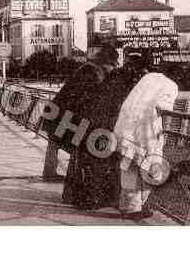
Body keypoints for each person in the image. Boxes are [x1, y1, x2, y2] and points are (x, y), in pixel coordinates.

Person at [67, 53, 149, 209]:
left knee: (92, 162)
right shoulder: (131, 79)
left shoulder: (114, 74)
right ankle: (98, 199)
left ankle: (88, 199)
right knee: (103, 163)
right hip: (105, 124)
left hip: (91, 123)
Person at [42, 44, 119, 185]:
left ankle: (50, 173)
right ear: (107, 63)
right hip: (66, 116)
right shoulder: (95, 73)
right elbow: (90, 99)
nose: (113, 69)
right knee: (76, 146)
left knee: (55, 141)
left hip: (58, 112)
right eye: (112, 66)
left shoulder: (87, 68)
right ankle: (61, 176)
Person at [114, 71, 178, 220]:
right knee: (150, 167)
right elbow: (164, 107)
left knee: (128, 166)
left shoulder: (148, 77)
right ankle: (136, 207)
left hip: (126, 126)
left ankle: (127, 206)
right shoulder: (171, 85)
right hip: (145, 130)